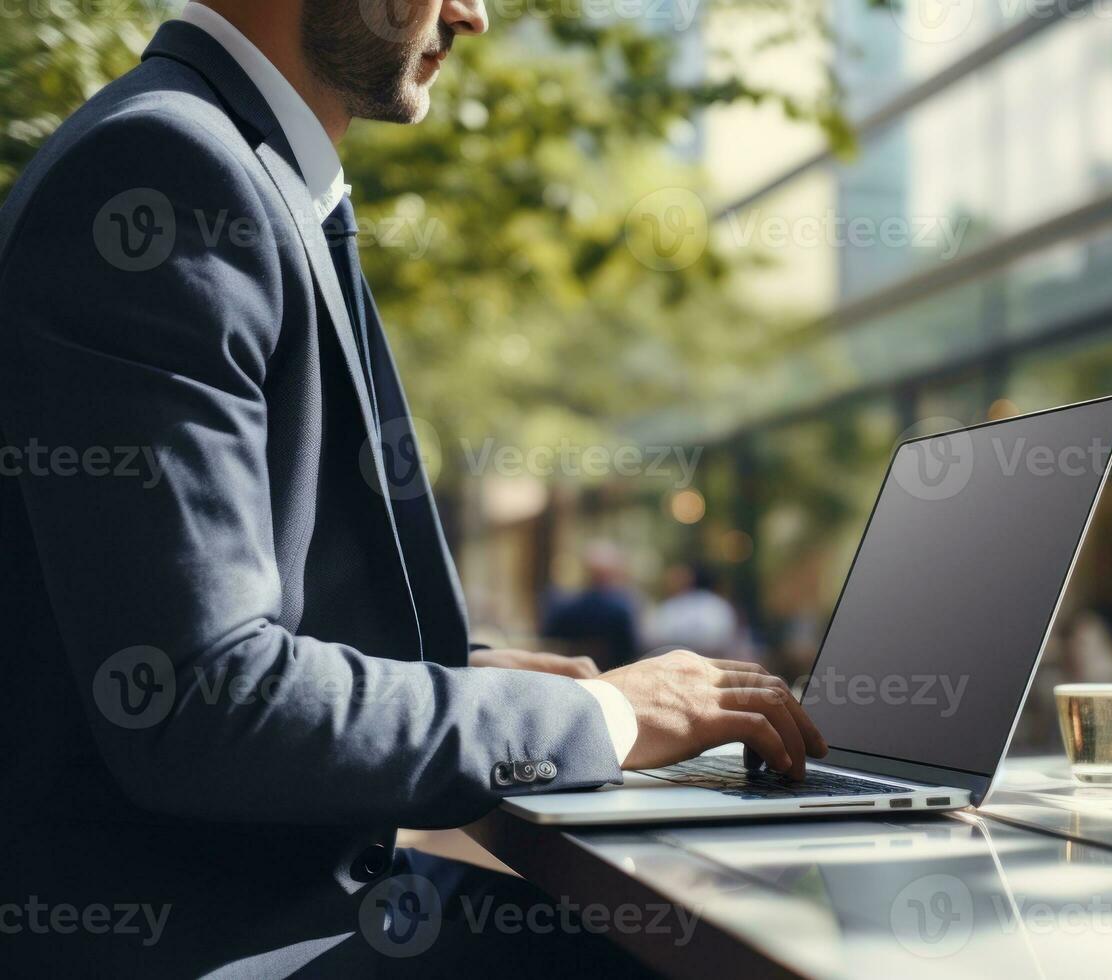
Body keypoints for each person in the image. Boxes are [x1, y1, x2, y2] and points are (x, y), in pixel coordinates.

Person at [0, 2, 823, 972]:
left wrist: (461, 681)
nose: (472, 15)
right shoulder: (161, 173)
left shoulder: (230, 163)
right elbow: (201, 698)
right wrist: (613, 717)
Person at [540, 541, 643, 671]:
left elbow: (550, 635)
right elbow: (633, 647)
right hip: (615, 674)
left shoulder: (570, 607)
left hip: (573, 674)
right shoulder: (622, 608)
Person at [644, 563, 742, 659]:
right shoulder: (719, 605)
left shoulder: (714, 605)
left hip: (697, 662)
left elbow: (653, 637)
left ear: (691, 579)